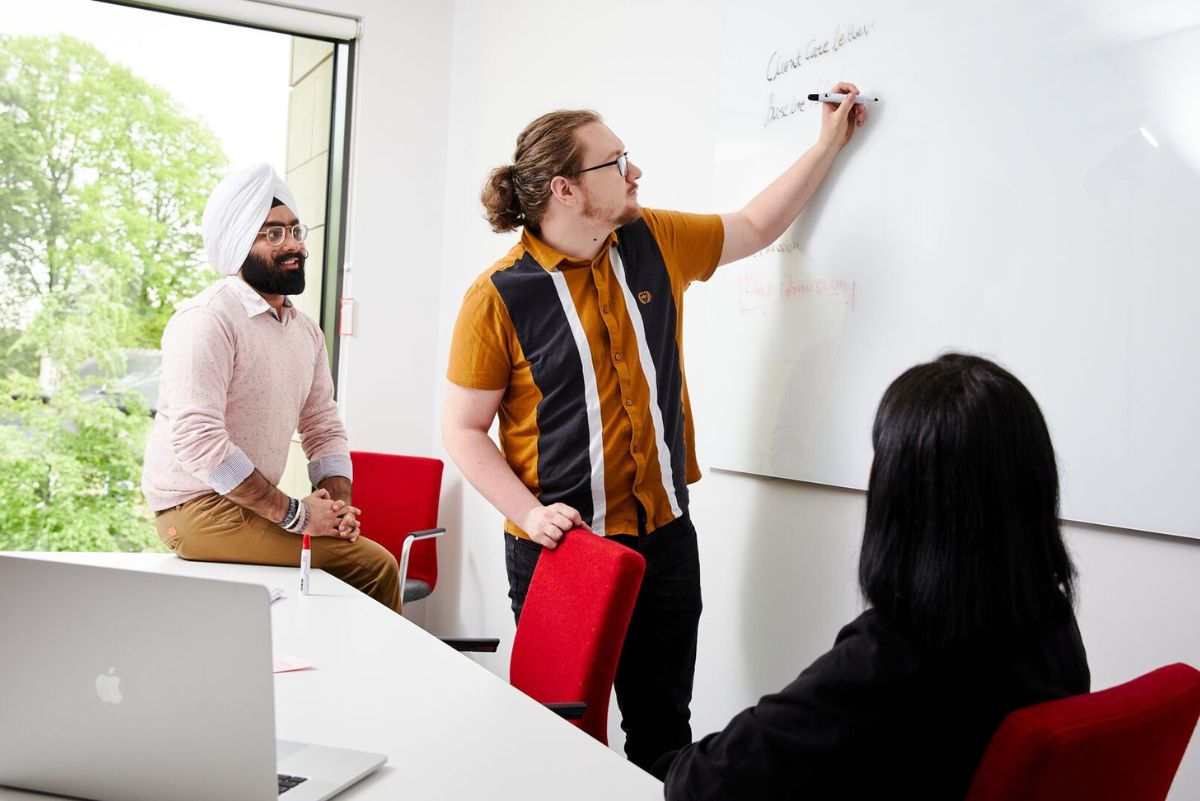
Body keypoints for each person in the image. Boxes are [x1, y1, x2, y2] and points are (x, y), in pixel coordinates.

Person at [442, 84, 868, 770]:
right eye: (616, 162)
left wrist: (825, 145)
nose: (635, 171)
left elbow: (755, 226)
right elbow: (463, 428)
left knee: (663, 731)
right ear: (566, 189)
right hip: (562, 553)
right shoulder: (496, 297)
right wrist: (529, 511)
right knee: (559, 737)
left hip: (666, 541)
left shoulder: (654, 239)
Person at [654, 353, 1091, 799]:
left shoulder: (886, 662)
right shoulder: (1052, 624)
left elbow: (702, 782)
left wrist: (669, 763)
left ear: (905, 495)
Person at [142, 163, 401, 614]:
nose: (295, 245)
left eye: (296, 231)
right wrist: (296, 514)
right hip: (194, 510)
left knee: (350, 559)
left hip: (245, 506)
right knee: (374, 566)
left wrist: (337, 509)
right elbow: (197, 439)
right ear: (240, 246)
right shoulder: (207, 320)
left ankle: (330, 672)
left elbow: (323, 426)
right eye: (273, 234)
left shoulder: (306, 333)